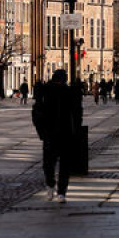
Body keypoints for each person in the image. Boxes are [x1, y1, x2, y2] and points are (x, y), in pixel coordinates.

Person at [33, 69, 81, 203]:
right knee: (53, 164)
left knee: (56, 164)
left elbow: (76, 113)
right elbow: (37, 113)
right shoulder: (47, 91)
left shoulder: (67, 92)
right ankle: (54, 187)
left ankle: (58, 190)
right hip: (55, 133)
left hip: (60, 134)